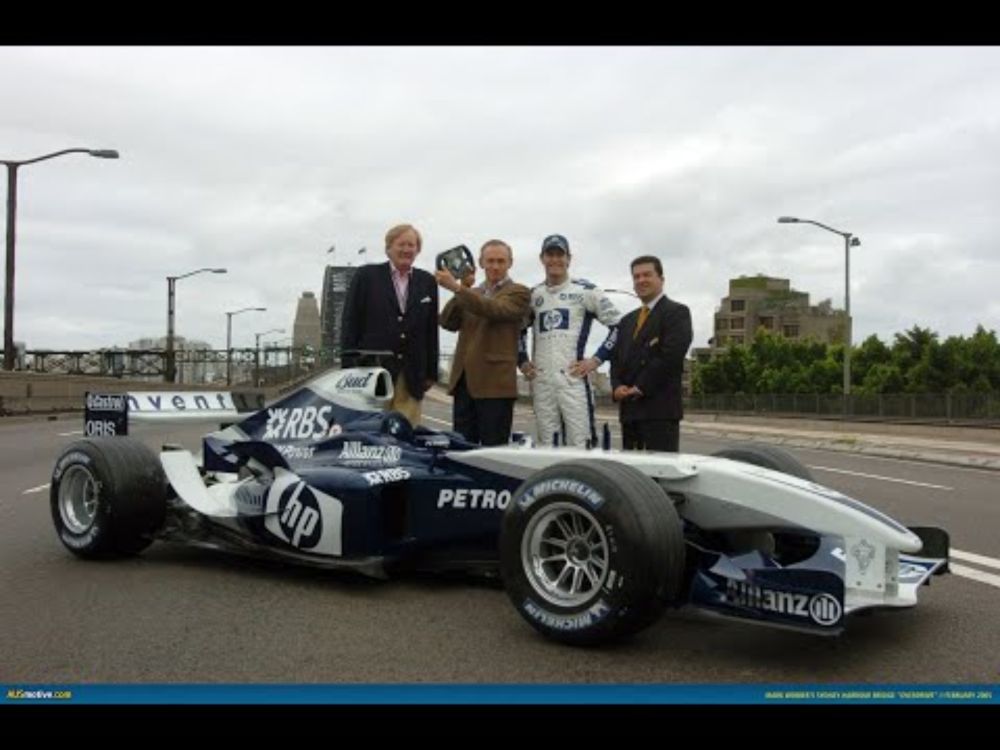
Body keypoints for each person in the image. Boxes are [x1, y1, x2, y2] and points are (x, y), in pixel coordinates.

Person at [518, 233, 621, 447]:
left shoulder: (587, 291)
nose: (555, 260)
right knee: (547, 444)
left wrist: (596, 360)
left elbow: (619, 327)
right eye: (550, 254)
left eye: (560, 254)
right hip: (542, 381)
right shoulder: (533, 295)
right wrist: (522, 361)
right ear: (542, 258)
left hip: (573, 380)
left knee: (581, 444)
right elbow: (517, 330)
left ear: (569, 259)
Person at [340, 223, 439, 426]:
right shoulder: (366, 276)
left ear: (418, 250)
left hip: (411, 373)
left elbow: (431, 330)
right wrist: (348, 367)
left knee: (406, 432)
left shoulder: (427, 281)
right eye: (401, 244)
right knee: (370, 431)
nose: (406, 249)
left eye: (411, 245)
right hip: (371, 372)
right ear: (388, 248)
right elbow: (350, 322)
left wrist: (431, 372)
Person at [437, 240, 531, 446]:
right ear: (480, 263)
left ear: (510, 263)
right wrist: (462, 288)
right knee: (461, 450)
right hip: (464, 383)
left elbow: (495, 309)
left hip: (495, 386)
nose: (495, 266)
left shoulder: (519, 292)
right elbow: (447, 322)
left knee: (493, 452)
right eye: (490, 261)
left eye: (500, 261)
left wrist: (457, 289)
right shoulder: (472, 293)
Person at [610, 255, 692, 452]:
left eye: (647, 275)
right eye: (636, 277)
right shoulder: (626, 321)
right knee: (634, 478)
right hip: (629, 413)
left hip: (659, 411)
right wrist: (616, 386)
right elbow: (616, 358)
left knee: (659, 475)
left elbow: (670, 356)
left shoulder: (677, 313)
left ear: (661, 279)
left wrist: (640, 386)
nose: (641, 280)